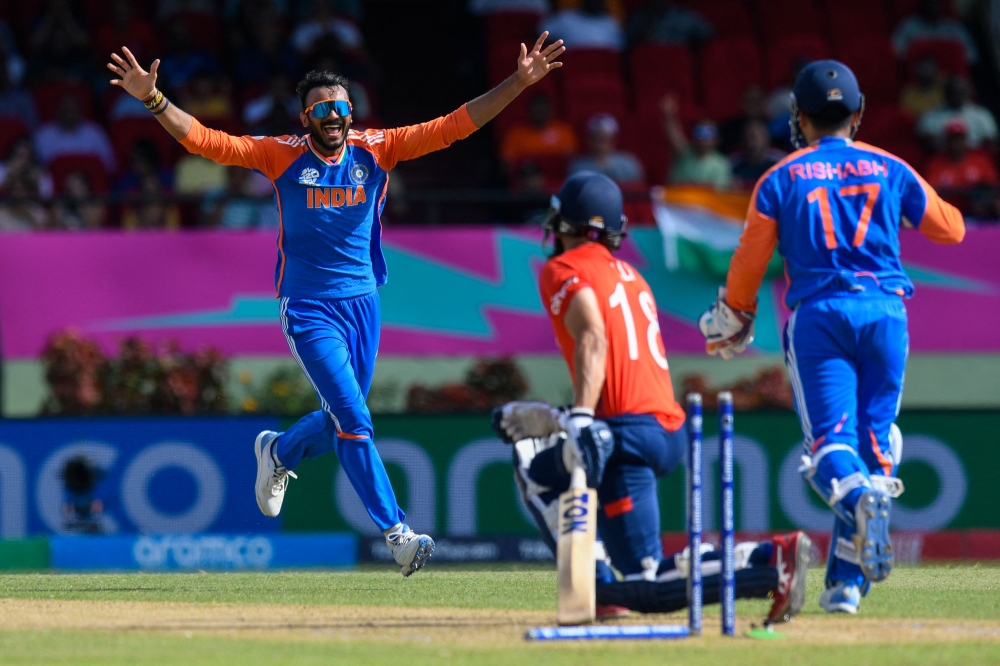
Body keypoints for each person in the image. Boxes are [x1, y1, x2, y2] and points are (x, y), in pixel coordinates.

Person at [107, 33, 565, 575]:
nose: (333, 116)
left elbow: (455, 125)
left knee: (342, 420)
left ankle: (278, 452)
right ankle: (398, 534)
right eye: (322, 109)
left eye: (341, 107)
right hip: (308, 307)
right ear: (306, 118)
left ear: (352, 113)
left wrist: (518, 82)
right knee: (354, 418)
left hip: (364, 303)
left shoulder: (378, 149)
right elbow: (208, 142)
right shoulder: (282, 154)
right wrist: (154, 98)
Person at [698, 60, 965, 614]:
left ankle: (860, 500)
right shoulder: (890, 167)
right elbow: (951, 229)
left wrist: (736, 312)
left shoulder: (780, 177)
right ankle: (846, 585)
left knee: (830, 447)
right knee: (877, 444)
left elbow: (750, 259)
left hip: (821, 317)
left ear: (798, 116)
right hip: (886, 313)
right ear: (858, 112)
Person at [492, 172, 810, 622]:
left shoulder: (563, 268)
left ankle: (765, 564)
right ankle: (617, 584)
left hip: (624, 433)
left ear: (568, 222)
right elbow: (624, 369)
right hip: (656, 426)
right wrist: (560, 417)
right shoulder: (632, 276)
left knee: (544, 478)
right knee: (643, 564)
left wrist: (575, 418)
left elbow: (594, 337)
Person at [662, 96, 730, 189]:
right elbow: (674, 138)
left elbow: (719, 192)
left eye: (708, 133)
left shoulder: (721, 163)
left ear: (716, 139)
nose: (703, 138)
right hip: (677, 198)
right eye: (699, 132)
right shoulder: (684, 153)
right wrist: (668, 116)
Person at [33, 95, 116, 172]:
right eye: (66, 110)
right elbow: (37, 169)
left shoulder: (95, 133)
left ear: (80, 111)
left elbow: (109, 167)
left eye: (72, 110)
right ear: (57, 111)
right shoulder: (42, 136)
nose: (69, 114)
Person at [919, 76, 998, 152]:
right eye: (953, 92)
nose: (956, 96)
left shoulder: (981, 114)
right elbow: (924, 140)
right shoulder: (931, 116)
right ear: (946, 93)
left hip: (975, 157)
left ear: (967, 92)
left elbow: (991, 140)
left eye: (960, 92)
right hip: (944, 157)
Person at [500, 93, 577, 164]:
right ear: (529, 111)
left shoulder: (563, 130)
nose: (540, 114)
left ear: (550, 110)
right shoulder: (516, 133)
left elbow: (571, 159)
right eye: (537, 111)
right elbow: (507, 163)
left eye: (543, 110)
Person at [892, 0, 977, 64]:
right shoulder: (909, 26)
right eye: (929, 3)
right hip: (918, 77)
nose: (932, 7)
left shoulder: (953, 28)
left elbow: (971, 56)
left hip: (951, 77)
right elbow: (896, 52)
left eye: (935, 3)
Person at [568, 113, 644, 184]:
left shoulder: (628, 164)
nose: (599, 144)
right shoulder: (578, 166)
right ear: (588, 140)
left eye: (603, 139)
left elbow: (638, 188)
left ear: (613, 140)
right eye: (595, 139)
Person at [925, 120, 1000, 191]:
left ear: (965, 140)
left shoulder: (980, 161)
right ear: (947, 141)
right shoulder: (936, 164)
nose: (956, 143)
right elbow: (931, 191)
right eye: (952, 139)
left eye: (959, 139)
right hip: (947, 201)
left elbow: (993, 187)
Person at [539, 0, 624, 51]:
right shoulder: (565, 18)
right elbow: (539, 35)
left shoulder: (611, 23)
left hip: (603, 71)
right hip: (570, 69)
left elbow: (620, 51)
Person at [626, 0, 713, 48]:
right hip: (648, 66)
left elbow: (709, 37)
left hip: (678, 66)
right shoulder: (638, 18)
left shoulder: (683, 16)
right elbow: (628, 45)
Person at [730, 119, 785, 190]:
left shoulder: (780, 162)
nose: (749, 142)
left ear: (765, 138)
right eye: (745, 137)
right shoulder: (732, 163)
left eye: (753, 137)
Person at [900, 54, 945, 121]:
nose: (926, 72)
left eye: (929, 67)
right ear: (915, 70)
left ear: (936, 69)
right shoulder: (909, 93)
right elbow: (906, 117)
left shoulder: (945, 86)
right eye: (923, 68)